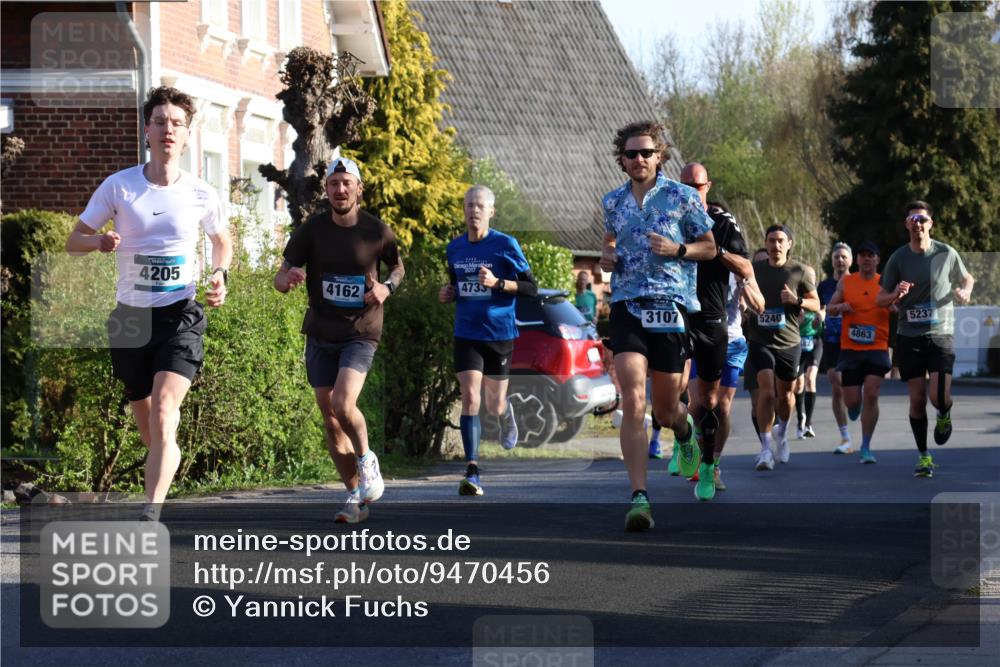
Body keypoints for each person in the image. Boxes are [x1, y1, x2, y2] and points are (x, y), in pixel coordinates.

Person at [65, 86, 233, 522]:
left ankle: (150, 512)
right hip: (129, 318)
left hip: (180, 313)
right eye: (160, 121)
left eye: (176, 123)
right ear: (147, 130)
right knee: (152, 431)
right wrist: (99, 241)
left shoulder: (200, 192)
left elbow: (221, 240)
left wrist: (220, 274)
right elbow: (72, 241)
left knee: (164, 410)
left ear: (187, 134)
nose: (168, 130)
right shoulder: (119, 187)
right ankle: (163, 467)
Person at [600, 121, 716, 530]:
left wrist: (679, 249)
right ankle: (639, 497)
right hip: (628, 304)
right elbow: (611, 241)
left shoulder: (683, 197)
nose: (638, 160)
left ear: (659, 156)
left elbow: (710, 247)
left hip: (670, 306)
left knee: (667, 410)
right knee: (633, 399)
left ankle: (684, 434)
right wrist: (607, 257)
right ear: (622, 159)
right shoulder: (612, 202)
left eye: (645, 153)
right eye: (631, 154)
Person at [275, 156, 402, 523]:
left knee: (344, 403)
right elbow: (280, 278)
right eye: (334, 184)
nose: (340, 189)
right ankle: (353, 497)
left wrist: (386, 288)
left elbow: (397, 267)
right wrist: (287, 281)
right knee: (330, 419)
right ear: (326, 190)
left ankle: (366, 461)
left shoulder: (377, 231)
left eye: (347, 183)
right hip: (321, 332)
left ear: (358, 188)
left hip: (360, 332)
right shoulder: (311, 232)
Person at [440, 185, 537, 496]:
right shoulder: (454, 249)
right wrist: (448, 292)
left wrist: (498, 283)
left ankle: (506, 413)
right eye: (469, 205)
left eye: (480, 206)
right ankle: (472, 469)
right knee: (470, 398)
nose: (474, 211)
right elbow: (456, 284)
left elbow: (531, 288)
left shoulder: (505, 245)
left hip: (499, 334)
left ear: (491, 211)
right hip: (466, 333)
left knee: (493, 405)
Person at [677, 163, 764, 501]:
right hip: (695, 327)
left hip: (731, 335)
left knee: (721, 408)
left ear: (707, 186)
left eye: (696, 186)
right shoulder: (671, 219)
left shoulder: (726, 230)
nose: (690, 191)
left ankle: (713, 464)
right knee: (697, 404)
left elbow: (750, 279)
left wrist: (718, 253)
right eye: (684, 185)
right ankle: (693, 451)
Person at [876, 201, 974, 478]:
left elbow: (968, 278)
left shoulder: (946, 252)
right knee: (917, 400)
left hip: (941, 333)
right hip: (909, 336)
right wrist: (895, 293)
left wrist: (965, 291)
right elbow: (880, 298)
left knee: (938, 396)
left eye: (922, 219)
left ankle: (944, 412)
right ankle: (924, 456)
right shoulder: (898, 258)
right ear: (907, 225)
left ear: (930, 223)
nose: (917, 224)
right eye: (912, 220)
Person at [746, 225, 820, 471]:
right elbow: (742, 294)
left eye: (780, 241)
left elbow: (816, 302)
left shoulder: (800, 270)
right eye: (771, 241)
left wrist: (797, 300)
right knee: (766, 392)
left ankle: (783, 433)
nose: (775, 246)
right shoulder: (754, 269)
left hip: (789, 341)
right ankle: (765, 449)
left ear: (789, 244)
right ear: (765, 244)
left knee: (786, 395)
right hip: (760, 340)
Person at [827, 241, 891, 464]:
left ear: (877, 260)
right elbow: (830, 308)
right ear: (857, 260)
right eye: (862, 255)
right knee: (852, 400)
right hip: (851, 349)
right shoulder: (847, 282)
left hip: (877, 347)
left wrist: (896, 304)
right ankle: (855, 407)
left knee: (872, 393)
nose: (866, 259)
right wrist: (840, 307)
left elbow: (896, 306)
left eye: (870, 255)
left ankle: (865, 446)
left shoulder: (885, 282)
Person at [817, 242, 854, 453]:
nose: (840, 260)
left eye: (843, 257)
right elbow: (819, 307)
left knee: (851, 390)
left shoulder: (857, 282)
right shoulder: (824, 286)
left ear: (850, 260)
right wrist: (818, 317)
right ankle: (845, 437)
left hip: (853, 340)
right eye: (836, 256)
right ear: (832, 260)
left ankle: (855, 405)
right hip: (831, 340)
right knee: (836, 385)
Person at [793, 266, 822, 439]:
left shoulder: (817, 297)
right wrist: (799, 321)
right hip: (798, 344)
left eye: (812, 278)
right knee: (799, 384)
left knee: (811, 380)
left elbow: (823, 313)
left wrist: (821, 318)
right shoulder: (796, 298)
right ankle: (800, 418)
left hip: (815, 343)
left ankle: (809, 424)